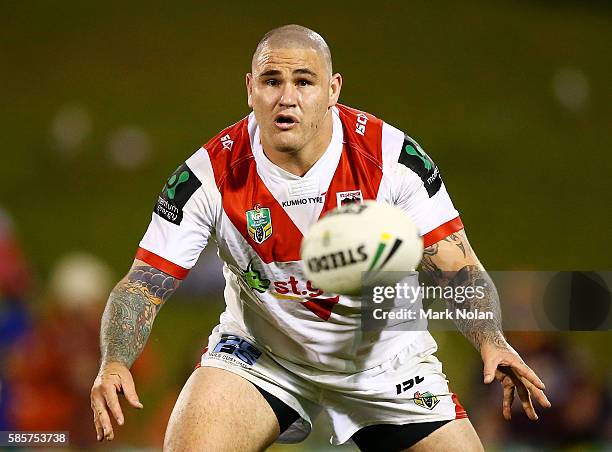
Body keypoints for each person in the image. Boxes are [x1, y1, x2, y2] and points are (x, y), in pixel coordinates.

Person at [90, 25, 551, 451]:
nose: (286, 98)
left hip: (383, 363)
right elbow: (144, 283)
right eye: (272, 81)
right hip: (264, 355)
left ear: (332, 91)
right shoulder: (208, 174)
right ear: (250, 89)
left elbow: (457, 264)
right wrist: (114, 361)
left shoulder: (390, 158)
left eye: (304, 82)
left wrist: (491, 338)